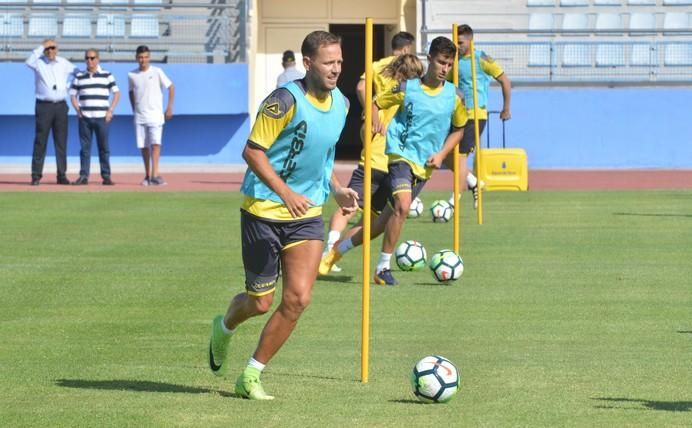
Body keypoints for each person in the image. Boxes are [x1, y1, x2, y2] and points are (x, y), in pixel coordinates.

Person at [207, 31, 358, 400]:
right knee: (259, 302)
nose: (336, 69)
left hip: (306, 215)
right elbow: (253, 151)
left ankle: (251, 375)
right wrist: (286, 192)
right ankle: (224, 327)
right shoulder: (283, 100)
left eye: (339, 62)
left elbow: (321, 159)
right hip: (263, 210)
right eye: (328, 63)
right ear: (307, 64)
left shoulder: (342, 104)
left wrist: (336, 189)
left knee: (298, 299)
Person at [320, 36, 468, 286]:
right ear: (430, 58)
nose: (445, 69)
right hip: (399, 157)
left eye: (449, 65)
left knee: (379, 224)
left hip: (424, 166)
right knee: (403, 204)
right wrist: (373, 118)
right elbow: (376, 102)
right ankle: (382, 268)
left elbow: (459, 129)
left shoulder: (455, 97)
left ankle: (338, 250)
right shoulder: (406, 88)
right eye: (441, 62)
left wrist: (442, 154)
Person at [322, 31, 416, 274]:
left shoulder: (381, 67)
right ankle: (330, 250)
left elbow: (363, 89)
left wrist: (370, 113)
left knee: (369, 218)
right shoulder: (398, 72)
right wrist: (374, 114)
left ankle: (335, 248)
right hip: (382, 152)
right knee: (354, 207)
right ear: (407, 49)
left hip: (387, 152)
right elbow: (362, 87)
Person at [447, 24, 512, 209]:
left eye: (460, 42)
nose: (457, 46)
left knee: (460, 157)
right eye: (455, 42)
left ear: (470, 40)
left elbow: (505, 81)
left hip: (475, 115)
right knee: (445, 155)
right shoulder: (453, 61)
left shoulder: (481, 59)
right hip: (456, 115)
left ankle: (453, 202)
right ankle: (473, 182)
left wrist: (506, 108)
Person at [26, 38, 78, 186]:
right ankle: (36, 175)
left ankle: (62, 175)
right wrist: (42, 45)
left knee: (61, 142)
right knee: (40, 141)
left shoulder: (64, 62)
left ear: (57, 49)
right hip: (44, 106)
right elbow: (28, 61)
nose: (50, 51)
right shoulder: (38, 62)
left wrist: (67, 87)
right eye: (47, 48)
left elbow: (78, 73)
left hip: (61, 106)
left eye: (52, 48)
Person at [69, 49, 120, 186]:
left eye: (92, 58)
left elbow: (116, 93)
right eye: (87, 58)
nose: (89, 61)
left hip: (102, 118)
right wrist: (77, 110)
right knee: (85, 149)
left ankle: (106, 176)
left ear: (98, 59)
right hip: (85, 118)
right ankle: (83, 176)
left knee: (104, 148)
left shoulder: (107, 75)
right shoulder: (79, 76)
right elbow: (73, 94)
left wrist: (111, 110)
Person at [128, 45, 175, 186]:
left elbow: (171, 87)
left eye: (146, 57)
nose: (143, 60)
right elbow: (131, 92)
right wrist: (134, 109)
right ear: (136, 58)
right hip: (140, 116)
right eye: (141, 57)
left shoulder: (157, 71)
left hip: (155, 114)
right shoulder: (132, 75)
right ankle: (147, 175)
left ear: (149, 57)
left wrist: (169, 107)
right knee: (143, 146)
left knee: (155, 144)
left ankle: (155, 175)